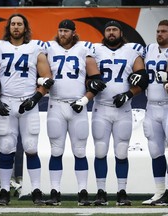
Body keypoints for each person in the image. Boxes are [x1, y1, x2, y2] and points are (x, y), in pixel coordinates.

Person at [0, 13, 54, 206]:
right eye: (13, 24)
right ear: (9, 27)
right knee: (6, 147)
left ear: (25, 27)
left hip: (27, 102)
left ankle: (36, 190)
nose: (16, 27)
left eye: (19, 24)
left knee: (31, 147)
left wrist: (36, 98)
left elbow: (47, 78)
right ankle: (5, 191)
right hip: (6, 101)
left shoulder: (35, 48)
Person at [44, 19, 106, 206]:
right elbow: (40, 72)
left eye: (66, 31)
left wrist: (85, 99)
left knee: (80, 151)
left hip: (77, 105)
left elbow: (96, 82)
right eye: (60, 30)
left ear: (73, 32)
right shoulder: (49, 48)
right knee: (56, 150)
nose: (62, 34)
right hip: (56, 104)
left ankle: (83, 192)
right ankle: (55, 192)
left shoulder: (84, 48)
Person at [91, 20, 149, 206]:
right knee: (100, 151)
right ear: (104, 33)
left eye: (114, 29)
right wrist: (91, 85)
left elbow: (143, 80)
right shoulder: (95, 51)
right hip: (101, 107)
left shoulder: (132, 51)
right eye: (108, 29)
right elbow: (89, 77)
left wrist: (129, 93)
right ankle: (101, 192)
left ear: (121, 32)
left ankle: (122, 192)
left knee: (122, 152)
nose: (111, 32)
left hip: (123, 109)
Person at [142, 20, 168, 206]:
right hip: (151, 106)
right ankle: (159, 192)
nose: (160, 34)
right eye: (158, 31)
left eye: (164, 31)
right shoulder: (149, 49)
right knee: (155, 150)